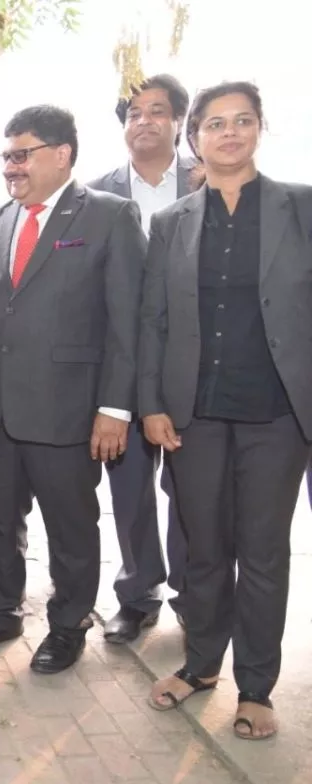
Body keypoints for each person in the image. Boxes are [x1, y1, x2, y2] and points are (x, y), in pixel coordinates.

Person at [0, 106, 147, 674]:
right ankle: (0, 612)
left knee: (71, 525)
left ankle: (68, 623)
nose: (10, 167)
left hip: (67, 410)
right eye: (5, 155)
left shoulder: (109, 216)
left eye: (21, 154)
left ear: (62, 154)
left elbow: (126, 321)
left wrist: (114, 407)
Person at [140, 82, 312, 742]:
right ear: (196, 139)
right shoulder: (172, 221)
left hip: (276, 415)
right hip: (195, 415)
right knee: (204, 548)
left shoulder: (299, 208)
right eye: (216, 123)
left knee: (263, 552)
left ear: (260, 130)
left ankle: (258, 686)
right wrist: (152, 404)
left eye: (243, 121)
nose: (230, 132)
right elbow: (152, 319)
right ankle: (202, 665)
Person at [88, 74, 198, 641]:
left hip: (193, 363)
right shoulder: (96, 192)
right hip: (123, 363)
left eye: (158, 110)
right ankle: (137, 593)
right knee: (128, 487)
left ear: (180, 121)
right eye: (134, 112)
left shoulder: (208, 182)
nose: (145, 121)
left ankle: (192, 593)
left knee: (191, 488)